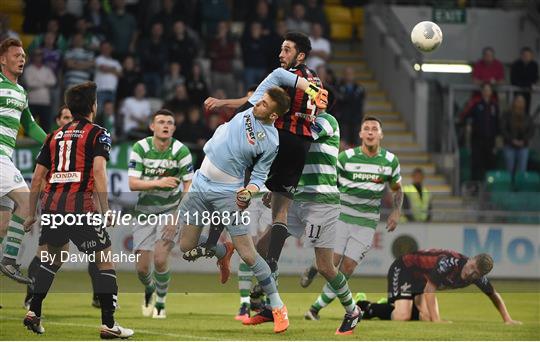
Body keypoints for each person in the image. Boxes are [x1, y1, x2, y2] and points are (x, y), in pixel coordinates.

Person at [188, 33, 328, 279]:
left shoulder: (288, 78)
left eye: (286, 50)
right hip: (301, 146)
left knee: (232, 183)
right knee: (280, 212)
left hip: (278, 138)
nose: (281, 54)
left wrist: (223, 103)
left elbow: (256, 102)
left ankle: (212, 243)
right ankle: (272, 263)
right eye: (281, 49)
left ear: (301, 55)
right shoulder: (316, 80)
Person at [22, 81, 133, 338]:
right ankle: (108, 324)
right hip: (80, 207)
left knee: (54, 258)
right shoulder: (97, 133)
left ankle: (34, 311)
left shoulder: (54, 136)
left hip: (52, 208)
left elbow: (37, 178)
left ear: (71, 108)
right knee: (105, 261)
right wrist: (105, 209)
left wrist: (31, 214)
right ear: (93, 106)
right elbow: (98, 171)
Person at [176, 87, 291, 333]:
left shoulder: (271, 141)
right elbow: (272, 81)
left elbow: (259, 175)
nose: (258, 104)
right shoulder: (250, 107)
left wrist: (249, 191)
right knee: (185, 246)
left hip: (227, 192)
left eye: (264, 104)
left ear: (273, 115)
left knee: (248, 253)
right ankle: (221, 250)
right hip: (199, 183)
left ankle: (278, 306)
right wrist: (221, 102)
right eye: (260, 100)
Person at [302, 116, 403, 325]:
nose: (370, 131)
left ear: (381, 134)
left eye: (374, 128)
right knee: (332, 262)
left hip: (366, 223)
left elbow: (397, 189)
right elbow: (329, 180)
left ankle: (315, 308)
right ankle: (315, 267)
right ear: (360, 134)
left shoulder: (390, 161)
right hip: (341, 216)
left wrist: (396, 212)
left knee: (347, 268)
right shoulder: (345, 158)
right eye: (366, 128)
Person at [129, 109, 193, 319]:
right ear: (152, 127)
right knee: (142, 269)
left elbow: (189, 185)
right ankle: (149, 289)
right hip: (144, 212)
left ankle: (161, 302)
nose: (165, 125)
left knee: (160, 259)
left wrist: (177, 216)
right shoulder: (141, 147)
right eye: (161, 122)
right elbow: (132, 184)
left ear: (173, 128)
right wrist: (159, 182)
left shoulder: (181, 150)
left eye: (169, 122)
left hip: (170, 211)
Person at [357, 249, 521, 325]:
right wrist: (438, 320)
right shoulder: (449, 263)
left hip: (420, 281)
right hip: (405, 268)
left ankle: (397, 303)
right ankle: (364, 306)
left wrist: (507, 318)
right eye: (471, 267)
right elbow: (429, 290)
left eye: (475, 273)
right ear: (471, 259)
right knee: (402, 316)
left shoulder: (477, 277)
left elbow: (493, 294)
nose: (470, 273)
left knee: (425, 318)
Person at [0, 38, 47, 284]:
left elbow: (28, 125)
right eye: (16, 55)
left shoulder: (20, 92)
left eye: (23, 56)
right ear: (2, 59)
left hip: (5, 157)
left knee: (3, 225)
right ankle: (9, 260)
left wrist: (51, 141)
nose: (22, 59)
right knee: (27, 203)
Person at [460, 83, 500, 182]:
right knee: (476, 163)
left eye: (488, 90)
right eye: (485, 90)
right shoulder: (476, 104)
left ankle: (488, 187)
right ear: (482, 92)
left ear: (491, 92)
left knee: (490, 163)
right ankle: (474, 185)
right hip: (477, 139)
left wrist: (497, 137)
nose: (487, 92)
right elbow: (465, 116)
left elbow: (497, 122)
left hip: (490, 139)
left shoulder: (494, 106)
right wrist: (468, 125)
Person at [500, 95, 535, 178]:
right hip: (509, 145)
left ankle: (520, 188)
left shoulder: (527, 116)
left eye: (522, 102)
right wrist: (512, 140)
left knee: (522, 170)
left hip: (523, 146)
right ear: (514, 102)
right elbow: (503, 129)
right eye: (518, 101)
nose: (520, 103)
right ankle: (509, 187)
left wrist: (524, 140)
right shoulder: (506, 115)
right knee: (509, 170)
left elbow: (531, 130)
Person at [23, 49, 57, 132]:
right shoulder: (28, 69)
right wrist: (45, 83)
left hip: (45, 101)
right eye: (36, 55)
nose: (38, 57)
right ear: (33, 57)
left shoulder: (47, 69)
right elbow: (30, 83)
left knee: (46, 125)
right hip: (32, 101)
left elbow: (53, 81)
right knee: (29, 125)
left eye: (40, 55)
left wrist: (37, 81)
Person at [94, 41, 122, 113]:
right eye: (104, 48)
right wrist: (114, 69)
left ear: (111, 49)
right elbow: (103, 69)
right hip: (100, 90)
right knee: (99, 112)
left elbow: (120, 74)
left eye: (108, 48)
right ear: (101, 49)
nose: (106, 49)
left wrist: (108, 69)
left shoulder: (116, 62)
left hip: (112, 91)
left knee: (110, 114)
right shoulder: (98, 59)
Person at [510, 47, 539, 111]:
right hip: (517, 90)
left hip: (528, 92)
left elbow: (535, 78)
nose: (526, 57)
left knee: (526, 109)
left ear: (532, 56)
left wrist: (530, 84)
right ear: (521, 56)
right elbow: (513, 80)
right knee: (516, 109)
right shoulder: (515, 64)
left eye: (528, 55)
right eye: (525, 55)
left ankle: (526, 120)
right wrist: (527, 84)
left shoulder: (534, 65)